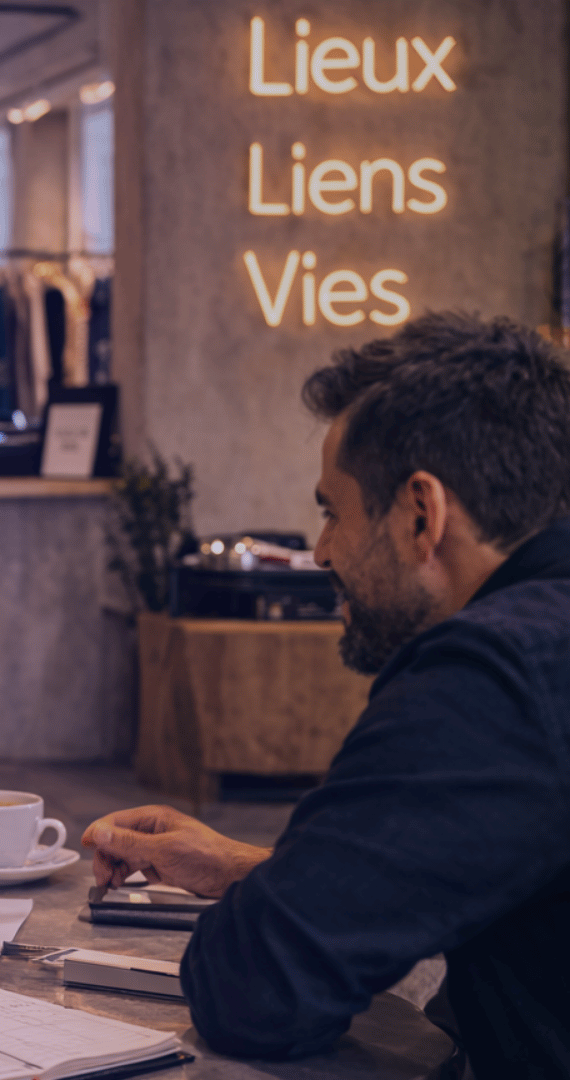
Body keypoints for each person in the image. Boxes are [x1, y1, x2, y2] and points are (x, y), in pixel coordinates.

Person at [80, 313, 570, 1075]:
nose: (320, 552)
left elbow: (254, 988)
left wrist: (277, 901)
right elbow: (465, 867)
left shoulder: (491, 673)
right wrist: (250, 867)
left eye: (332, 511)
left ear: (421, 513)